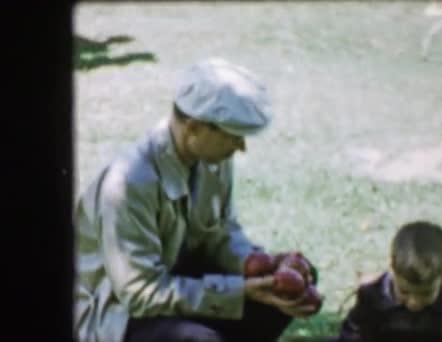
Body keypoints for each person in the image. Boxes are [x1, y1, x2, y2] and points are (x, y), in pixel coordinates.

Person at [74, 58, 319, 342]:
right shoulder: (128, 182)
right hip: (117, 312)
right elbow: (139, 293)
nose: (241, 147)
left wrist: (252, 263)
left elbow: (218, 231)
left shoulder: (211, 157)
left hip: (179, 282)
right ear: (194, 128)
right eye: (234, 136)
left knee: (283, 292)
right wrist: (238, 292)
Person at [336, 221, 442, 342]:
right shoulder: (371, 298)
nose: (414, 303)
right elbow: (352, 336)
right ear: (392, 270)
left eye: (426, 293)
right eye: (404, 291)